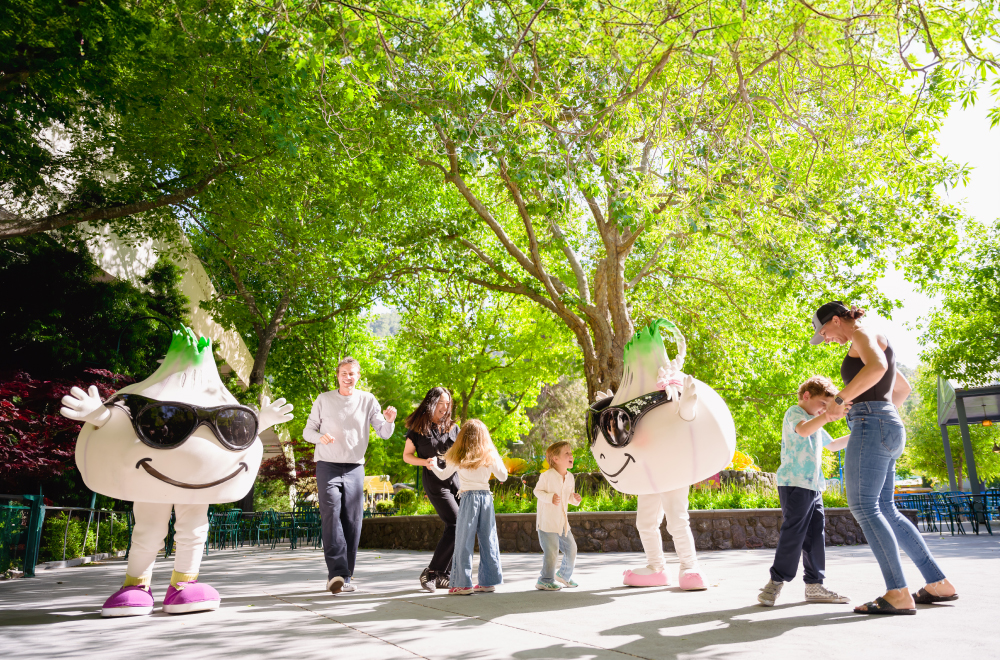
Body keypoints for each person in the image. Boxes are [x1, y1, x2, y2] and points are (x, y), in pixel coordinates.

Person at [811, 301, 958, 614]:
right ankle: (938, 583)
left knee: (864, 506)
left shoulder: (862, 332)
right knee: (886, 510)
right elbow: (900, 388)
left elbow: (876, 369)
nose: (826, 339)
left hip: (873, 424)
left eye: (824, 332)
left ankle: (897, 593)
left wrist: (841, 400)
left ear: (836, 320)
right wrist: (878, 411)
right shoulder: (875, 337)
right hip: (886, 425)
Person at [303, 357, 397, 594]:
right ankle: (336, 573)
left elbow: (384, 433)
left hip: (355, 467)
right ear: (338, 375)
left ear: (358, 376)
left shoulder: (367, 400)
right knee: (331, 515)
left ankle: (345, 575)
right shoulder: (324, 399)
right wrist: (319, 438)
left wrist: (389, 421)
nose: (348, 377)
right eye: (344, 373)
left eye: (352, 373)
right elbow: (308, 430)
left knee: (353, 521)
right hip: (327, 465)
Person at [758, 376, 851, 607]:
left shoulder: (816, 421)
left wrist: (860, 435)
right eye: (822, 404)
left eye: (826, 407)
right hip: (795, 482)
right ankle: (775, 582)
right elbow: (802, 431)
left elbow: (833, 445)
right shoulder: (795, 413)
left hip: (813, 486)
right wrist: (827, 415)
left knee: (814, 535)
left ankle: (814, 585)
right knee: (794, 532)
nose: (823, 410)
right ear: (806, 396)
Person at [430, 419, 507, 595]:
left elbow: (443, 476)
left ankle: (463, 584)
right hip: (486, 499)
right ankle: (489, 582)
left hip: (468, 498)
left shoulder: (458, 455)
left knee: (464, 540)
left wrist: (433, 465)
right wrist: (495, 455)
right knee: (488, 540)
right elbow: (503, 476)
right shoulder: (490, 455)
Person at [402, 387, 459, 592]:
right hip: (435, 481)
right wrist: (424, 462)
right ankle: (432, 572)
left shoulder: (453, 427)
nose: (445, 407)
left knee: (462, 525)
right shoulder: (418, 428)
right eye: (441, 403)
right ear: (431, 403)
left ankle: (445, 574)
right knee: (456, 522)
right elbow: (407, 456)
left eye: (447, 403)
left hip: (456, 482)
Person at [533, 441, 582, 591]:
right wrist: (550, 497)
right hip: (547, 522)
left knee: (572, 548)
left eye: (571, 453)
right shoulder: (546, 476)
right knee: (552, 551)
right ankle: (544, 579)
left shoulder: (570, 477)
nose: (571, 455)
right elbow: (537, 491)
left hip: (562, 522)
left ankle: (563, 575)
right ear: (555, 459)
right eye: (567, 453)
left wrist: (575, 499)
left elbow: (567, 498)